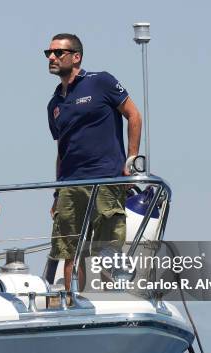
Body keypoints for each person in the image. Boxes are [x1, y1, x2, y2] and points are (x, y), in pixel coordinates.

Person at [45, 33, 142, 291]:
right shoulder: (54, 103)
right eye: (49, 53)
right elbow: (61, 150)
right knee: (69, 252)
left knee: (108, 251)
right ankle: (73, 304)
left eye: (58, 52)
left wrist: (130, 162)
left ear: (76, 57)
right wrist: (57, 193)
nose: (51, 57)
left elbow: (134, 116)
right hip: (69, 185)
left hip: (106, 179)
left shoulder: (101, 82)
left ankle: (114, 305)